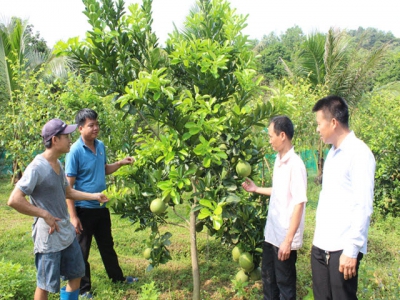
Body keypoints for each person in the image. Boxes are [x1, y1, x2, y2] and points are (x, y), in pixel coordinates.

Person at [7, 118, 108, 300]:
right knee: (45, 285)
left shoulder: (58, 164)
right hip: (48, 236)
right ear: (55, 140)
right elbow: (14, 200)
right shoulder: (37, 167)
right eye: (67, 136)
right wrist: (44, 214)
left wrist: (94, 196)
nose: (70, 140)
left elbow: (67, 191)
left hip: (65, 233)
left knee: (77, 273)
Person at [65, 108, 136, 298]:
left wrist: (120, 163)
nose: (96, 128)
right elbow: (68, 189)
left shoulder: (101, 146)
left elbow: (103, 169)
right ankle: (83, 289)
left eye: (97, 124)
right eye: (91, 125)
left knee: (107, 245)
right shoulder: (74, 152)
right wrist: (73, 216)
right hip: (83, 209)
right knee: (82, 251)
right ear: (80, 129)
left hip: (101, 206)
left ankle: (117, 278)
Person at [311, 95, 376, 299]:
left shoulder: (359, 153)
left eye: (319, 123)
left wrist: (352, 249)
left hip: (343, 248)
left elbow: (362, 205)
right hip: (322, 244)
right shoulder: (331, 153)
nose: (317, 129)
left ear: (333, 122)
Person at [242, 115, 307, 300]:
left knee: (284, 286)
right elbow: (279, 191)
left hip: (284, 239)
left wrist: (287, 241)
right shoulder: (279, 161)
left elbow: (299, 203)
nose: (269, 140)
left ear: (283, 135)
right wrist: (256, 189)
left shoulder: (296, 165)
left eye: (271, 136)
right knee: (269, 281)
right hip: (271, 235)